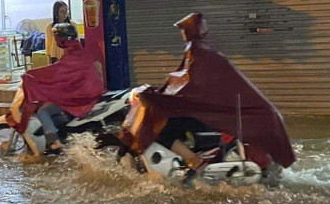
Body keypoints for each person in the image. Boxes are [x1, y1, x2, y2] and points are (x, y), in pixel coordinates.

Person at [121, 13, 296, 182]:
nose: (181, 33)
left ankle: (194, 161)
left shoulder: (200, 53)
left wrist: (156, 96)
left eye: (183, 29)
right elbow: (182, 83)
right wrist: (156, 92)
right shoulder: (200, 50)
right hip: (211, 111)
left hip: (211, 114)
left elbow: (189, 86)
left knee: (161, 129)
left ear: (191, 30)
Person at [10, 22, 104, 156]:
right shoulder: (79, 51)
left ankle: (55, 142)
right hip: (90, 93)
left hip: (79, 97)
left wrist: (31, 76)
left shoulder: (71, 55)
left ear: (61, 39)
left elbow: (56, 72)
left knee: (42, 111)